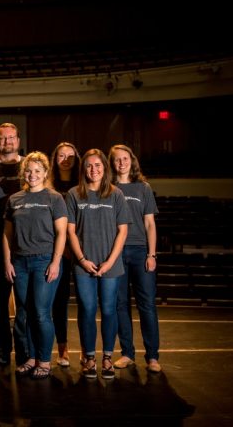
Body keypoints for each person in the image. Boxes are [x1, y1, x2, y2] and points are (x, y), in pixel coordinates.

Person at [66, 148, 130, 380]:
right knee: (88, 309)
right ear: (84, 169)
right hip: (84, 265)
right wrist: (82, 260)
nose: (94, 169)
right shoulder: (74, 194)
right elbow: (70, 232)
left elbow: (122, 232)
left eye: (98, 165)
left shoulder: (116, 195)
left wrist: (110, 262)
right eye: (89, 165)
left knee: (110, 309)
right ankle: (90, 357)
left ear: (105, 168)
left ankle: (107, 358)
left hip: (110, 265)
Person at [3, 152, 67, 380]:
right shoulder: (14, 199)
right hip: (19, 262)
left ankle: (44, 360)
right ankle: (29, 358)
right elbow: (7, 234)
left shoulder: (55, 198)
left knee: (40, 313)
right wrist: (8, 261)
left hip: (44, 261)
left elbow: (61, 233)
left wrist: (56, 262)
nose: (32, 175)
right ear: (23, 173)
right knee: (24, 313)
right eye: (28, 170)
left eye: (37, 171)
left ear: (45, 173)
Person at [109, 144, 162, 373]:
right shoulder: (108, 189)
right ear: (112, 163)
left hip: (141, 252)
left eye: (125, 158)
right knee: (120, 304)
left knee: (147, 305)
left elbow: (150, 223)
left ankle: (152, 356)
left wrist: (152, 254)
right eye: (117, 159)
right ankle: (127, 353)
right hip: (116, 253)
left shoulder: (143, 188)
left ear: (132, 160)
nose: (122, 162)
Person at [0, 122, 27, 366]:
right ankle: (3, 350)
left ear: (19, 140)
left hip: (26, 246)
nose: (8, 142)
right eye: (3, 138)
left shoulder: (30, 165)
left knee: (26, 304)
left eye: (12, 137)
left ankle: (25, 351)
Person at [47, 141, 81, 367]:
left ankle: (88, 350)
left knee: (85, 301)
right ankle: (62, 348)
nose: (66, 159)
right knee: (58, 301)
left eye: (70, 155)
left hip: (80, 249)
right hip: (55, 249)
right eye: (61, 155)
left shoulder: (83, 183)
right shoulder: (48, 184)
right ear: (55, 158)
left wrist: (74, 247)